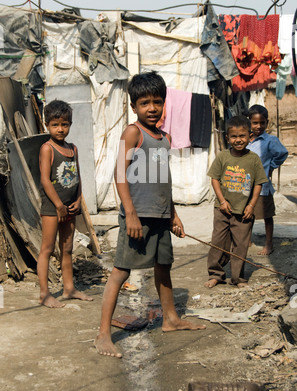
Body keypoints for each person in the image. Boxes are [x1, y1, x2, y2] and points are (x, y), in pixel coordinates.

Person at [94, 71, 206, 358]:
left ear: (164, 104)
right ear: (134, 107)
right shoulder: (133, 133)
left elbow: (162, 179)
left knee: (163, 266)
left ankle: (170, 319)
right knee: (121, 271)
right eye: (145, 103)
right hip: (138, 217)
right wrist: (130, 213)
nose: (152, 108)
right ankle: (103, 334)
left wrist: (174, 214)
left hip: (160, 216)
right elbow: (120, 173)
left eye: (157, 102)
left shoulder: (164, 137)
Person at [37, 100, 93, 308]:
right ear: (47, 125)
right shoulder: (47, 149)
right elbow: (44, 179)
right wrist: (59, 204)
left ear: (70, 124)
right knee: (48, 248)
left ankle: (69, 288)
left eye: (65, 124)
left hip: (69, 206)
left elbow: (78, 177)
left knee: (67, 247)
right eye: (55, 125)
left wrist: (78, 200)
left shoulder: (73, 148)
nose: (60, 129)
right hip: (53, 208)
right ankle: (44, 294)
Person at [204, 115, 268, 289]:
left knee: (240, 245)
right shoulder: (223, 157)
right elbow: (215, 180)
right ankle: (216, 274)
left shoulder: (253, 159)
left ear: (249, 136)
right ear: (227, 138)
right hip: (222, 209)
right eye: (234, 136)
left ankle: (237, 278)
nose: (238, 140)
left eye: (242, 136)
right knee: (218, 242)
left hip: (244, 211)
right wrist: (222, 201)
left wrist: (251, 205)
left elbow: (258, 184)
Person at [247, 104, 288, 255]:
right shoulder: (246, 140)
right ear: (249, 122)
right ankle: (247, 240)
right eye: (255, 123)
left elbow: (282, 153)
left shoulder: (270, 140)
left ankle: (269, 244)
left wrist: (271, 167)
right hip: (246, 186)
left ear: (267, 122)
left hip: (263, 186)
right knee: (247, 214)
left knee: (267, 215)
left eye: (262, 122)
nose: (258, 126)